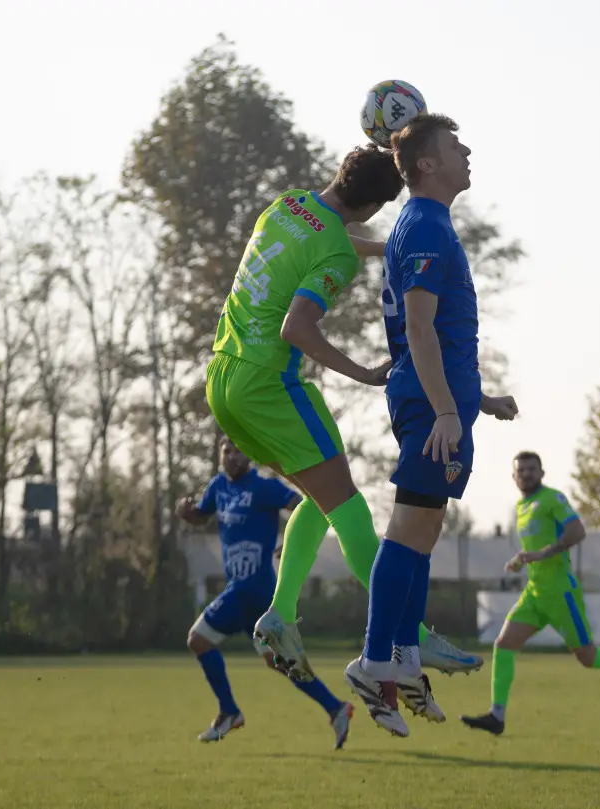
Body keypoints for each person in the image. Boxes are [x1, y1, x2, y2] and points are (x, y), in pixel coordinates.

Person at [204, 144, 483, 692]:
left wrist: (382, 248)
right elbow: (296, 327)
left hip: (223, 376)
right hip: (269, 381)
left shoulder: (286, 205)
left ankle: (280, 616)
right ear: (380, 202)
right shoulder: (338, 254)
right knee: (350, 509)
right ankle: (409, 634)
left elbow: (329, 233)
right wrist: (360, 372)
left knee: (320, 494)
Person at [343, 114, 519, 738]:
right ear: (425, 165)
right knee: (408, 528)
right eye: (453, 145)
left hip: (441, 400)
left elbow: (439, 334)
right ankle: (373, 661)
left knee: (424, 532)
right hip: (427, 403)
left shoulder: (431, 224)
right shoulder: (420, 223)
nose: (466, 150)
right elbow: (416, 330)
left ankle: (405, 662)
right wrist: (446, 409)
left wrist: (475, 400)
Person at [460, 451, 600, 736]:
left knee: (588, 657)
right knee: (504, 644)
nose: (526, 474)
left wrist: (543, 553)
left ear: (542, 473)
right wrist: (522, 559)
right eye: (520, 470)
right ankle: (497, 716)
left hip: (561, 594)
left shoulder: (552, 499)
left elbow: (577, 532)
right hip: (534, 594)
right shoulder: (522, 507)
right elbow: (537, 547)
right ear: (513, 476)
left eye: (531, 469)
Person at [178, 439, 353, 748]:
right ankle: (335, 708)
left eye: (239, 449)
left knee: (198, 640)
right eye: (227, 450)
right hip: (251, 594)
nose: (233, 455)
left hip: (251, 587)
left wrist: (296, 539)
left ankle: (229, 712)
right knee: (279, 661)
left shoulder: (264, 487)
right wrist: (186, 512)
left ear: (251, 454)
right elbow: (201, 514)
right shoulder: (218, 486)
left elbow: (306, 506)